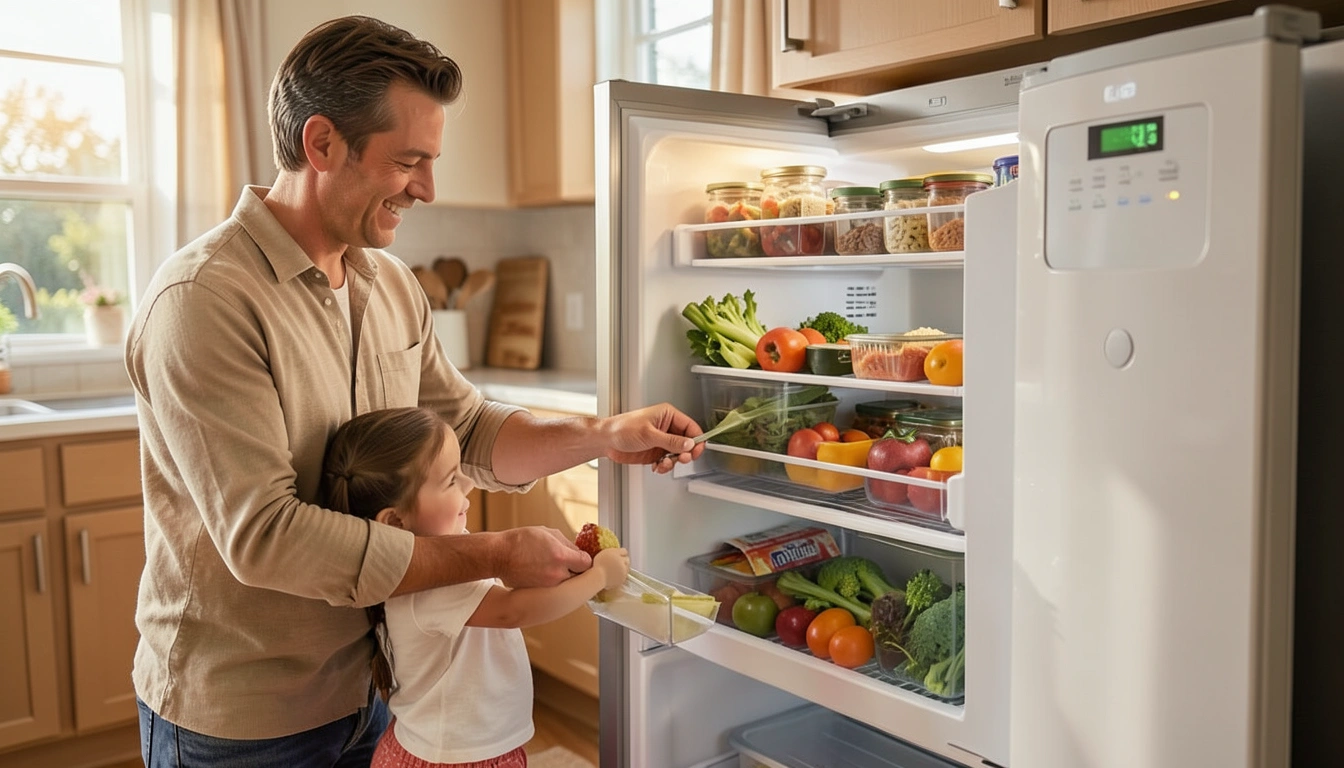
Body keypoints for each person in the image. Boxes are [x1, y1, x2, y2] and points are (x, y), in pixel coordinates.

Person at [126, 14, 704, 767]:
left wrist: (602, 435)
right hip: (245, 716)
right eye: (409, 161)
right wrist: (494, 550)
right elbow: (264, 537)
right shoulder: (205, 299)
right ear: (322, 143)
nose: (428, 188)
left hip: (376, 690)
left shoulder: (390, 284)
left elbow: (464, 429)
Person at [322, 407, 629, 768]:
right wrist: (599, 578)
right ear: (396, 521)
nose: (468, 484)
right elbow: (515, 610)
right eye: (451, 480)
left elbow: (512, 599)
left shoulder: (440, 557)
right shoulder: (432, 584)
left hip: (447, 750)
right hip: (452, 759)